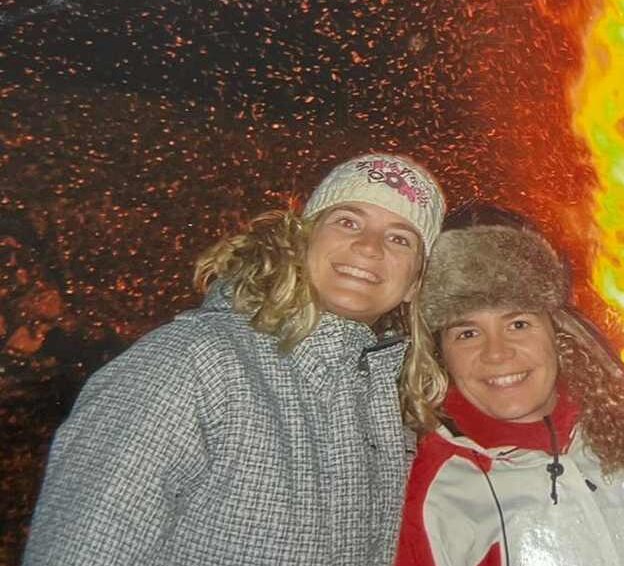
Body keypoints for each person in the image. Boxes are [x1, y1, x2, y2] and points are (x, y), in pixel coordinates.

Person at [23, 153, 446, 566]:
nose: (369, 247)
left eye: (399, 238)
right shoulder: (191, 364)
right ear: (301, 240)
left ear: (413, 284)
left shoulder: (389, 412)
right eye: (347, 221)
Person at [397, 223, 624, 566]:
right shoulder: (437, 488)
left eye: (518, 324)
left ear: (556, 333)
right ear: (442, 354)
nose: (497, 353)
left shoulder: (617, 437)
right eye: (468, 333)